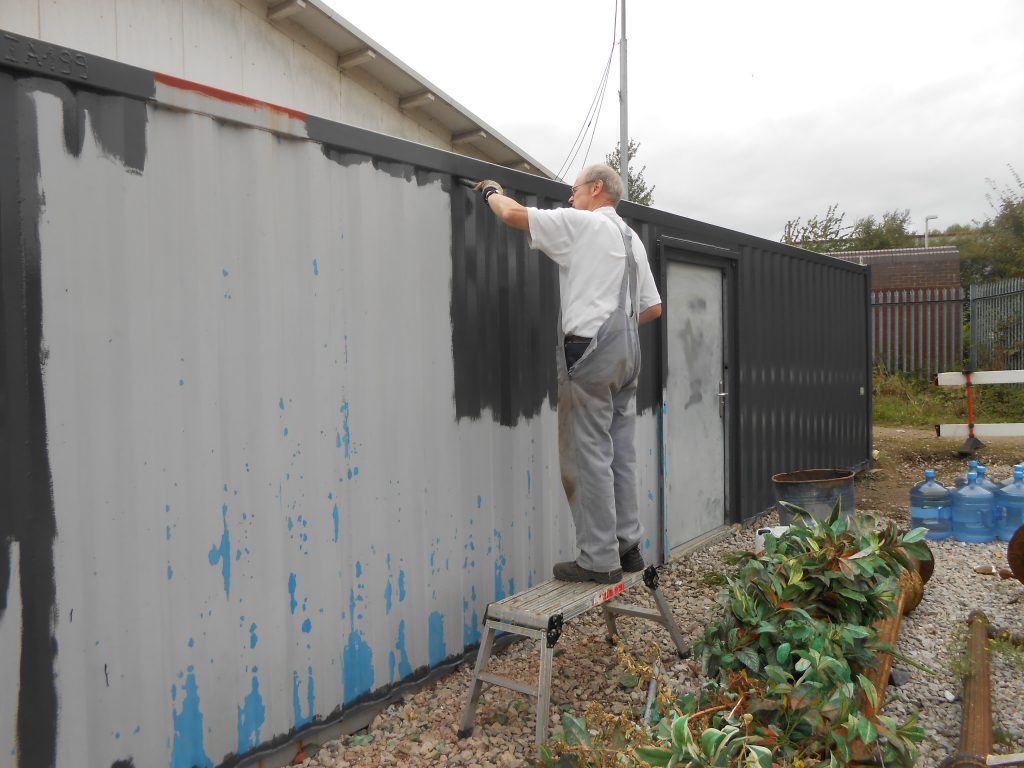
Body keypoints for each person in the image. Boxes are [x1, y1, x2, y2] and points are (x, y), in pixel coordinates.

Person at [473, 164, 662, 584]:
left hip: (591, 351)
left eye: (574, 191)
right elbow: (652, 308)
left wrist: (490, 190)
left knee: (587, 454)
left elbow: (511, 215)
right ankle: (628, 545)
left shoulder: (584, 225)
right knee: (621, 452)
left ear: (596, 189)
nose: (569, 199)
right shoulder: (631, 240)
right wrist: (615, 328)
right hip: (628, 351)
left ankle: (598, 559)